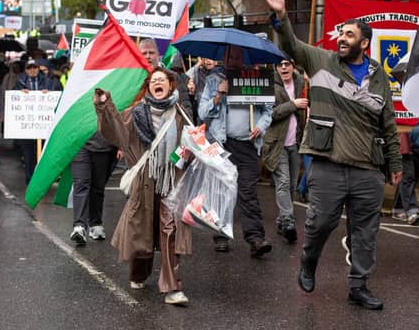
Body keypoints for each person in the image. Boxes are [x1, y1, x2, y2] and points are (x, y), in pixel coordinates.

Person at [260, 0, 402, 311]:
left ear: (364, 43)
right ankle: (309, 261)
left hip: (368, 168)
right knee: (321, 222)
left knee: (365, 233)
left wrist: (394, 162)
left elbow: (388, 123)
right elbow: (291, 46)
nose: (341, 38)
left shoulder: (379, 76)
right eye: (340, 33)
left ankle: (359, 286)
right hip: (328, 163)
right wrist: (281, 15)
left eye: (349, 35)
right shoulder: (321, 60)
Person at [94, 68, 192, 306]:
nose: (158, 83)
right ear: (148, 87)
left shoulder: (180, 114)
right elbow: (115, 133)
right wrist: (105, 106)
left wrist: (191, 145)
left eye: (162, 80)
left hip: (172, 182)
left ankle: (172, 288)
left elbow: (186, 149)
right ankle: (139, 273)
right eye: (153, 81)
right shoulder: (135, 113)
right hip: (144, 182)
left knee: (170, 231)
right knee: (143, 233)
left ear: (170, 85)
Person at [198, 46, 273, 256]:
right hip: (221, 144)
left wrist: (261, 125)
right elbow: (202, 112)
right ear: (224, 57)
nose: (234, 59)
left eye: (238, 55)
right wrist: (219, 95)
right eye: (230, 55)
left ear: (243, 57)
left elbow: (268, 110)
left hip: (247, 145)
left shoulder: (255, 79)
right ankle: (220, 235)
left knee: (248, 192)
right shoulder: (213, 80)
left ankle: (256, 239)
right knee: (221, 190)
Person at [262, 58, 308, 243]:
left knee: (290, 186)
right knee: (283, 181)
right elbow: (269, 115)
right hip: (276, 143)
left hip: (294, 143)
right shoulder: (269, 85)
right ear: (275, 68)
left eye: (287, 64)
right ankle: (288, 221)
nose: (283, 68)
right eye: (280, 65)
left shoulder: (299, 82)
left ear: (293, 66)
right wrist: (293, 105)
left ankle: (282, 220)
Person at [69, 132, 118, 246]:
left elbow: (118, 117)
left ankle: (95, 224)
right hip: (79, 144)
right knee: (81, 184)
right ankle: (79, 226)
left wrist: (121, 146)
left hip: (105, 146)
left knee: (97, 187)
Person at [13, 59, 56, 184]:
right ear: (25, 69)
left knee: (43, 154)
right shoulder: (20, 82)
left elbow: (56, 95)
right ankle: (29, 180)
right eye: (29, 67)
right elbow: (13, 98)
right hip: (27, 128)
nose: (32, 70)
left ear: (38, 68)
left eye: (35, 67)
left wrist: (49, 94)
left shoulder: (48, 81)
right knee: (28, 155)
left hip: (43, 126)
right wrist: (19, 93)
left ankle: (41, 180)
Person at [138, 38, 194, 123]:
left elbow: (185, 105)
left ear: (158, 54)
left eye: (151, 53)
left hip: (170, 126)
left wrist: (188, 128)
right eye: (144, 53)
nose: (148, 56)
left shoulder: (173, 76)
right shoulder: (136, 79)